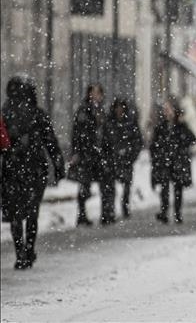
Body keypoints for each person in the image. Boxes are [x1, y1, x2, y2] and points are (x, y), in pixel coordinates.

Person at [1, 76, 65, 269]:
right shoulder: (38, 114)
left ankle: (20, 251)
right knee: (32, 211)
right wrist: (58, 164)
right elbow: (51, 142)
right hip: (34, 168)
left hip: (12, 168)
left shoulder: (5, 113)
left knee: (15, 212)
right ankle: (29, 249)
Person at [150, 99, 196, 224]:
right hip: (164, 161)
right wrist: (157, 156)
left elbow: (192, 139)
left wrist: (182, 126)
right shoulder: (161, 126)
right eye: (165, 110)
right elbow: (154, 144)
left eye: (169, 109)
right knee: (164, 188)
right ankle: (164, 211)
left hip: (178, 161)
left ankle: (177, 213)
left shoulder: (181, 125)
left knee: (178, 188)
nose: (167, 112)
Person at [69, 83, 107, 226]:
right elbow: (78, 132)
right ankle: (82, 214)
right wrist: (77, 151)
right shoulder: (84, 111)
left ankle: (104, 213)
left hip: (97, 153)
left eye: (98, 93)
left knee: (102, 184)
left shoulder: (101, 111)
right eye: (94, 93)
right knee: (84, 185)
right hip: (87, 153)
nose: (96, 96)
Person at [102, 98, 143, 219]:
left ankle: (125, 206)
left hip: (126, 160)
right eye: (117, 107)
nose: (119, 110)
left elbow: (137, 141)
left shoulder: (130, 122)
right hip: (112, 159)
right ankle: (110, 211)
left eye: (121, 107)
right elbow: (104, 141)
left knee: (126, 186)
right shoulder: (109, 122)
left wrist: (131, 155)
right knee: (110, 187)